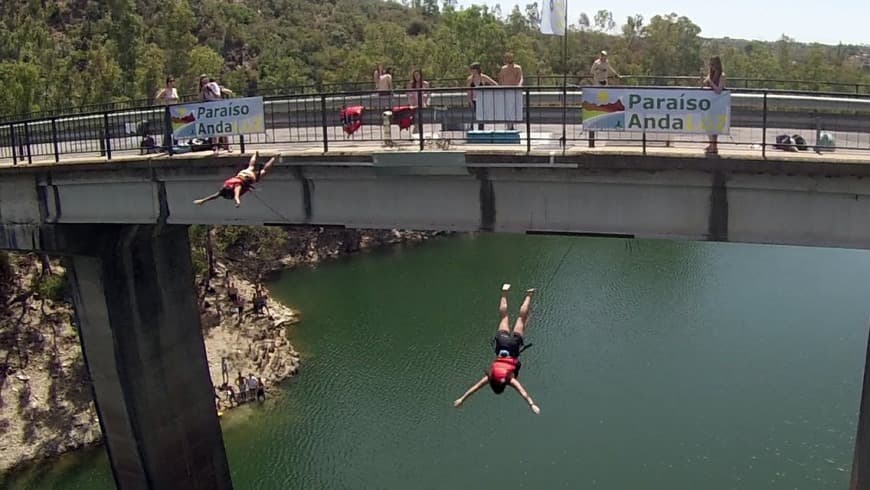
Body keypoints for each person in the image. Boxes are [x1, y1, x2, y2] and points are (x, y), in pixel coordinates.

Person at [454, 284, 540, 414]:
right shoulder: (490, 377)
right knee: (504, 317)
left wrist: (532, 404)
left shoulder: (509, 380)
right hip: (502, 343)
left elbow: (522, 392)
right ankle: (505, 292)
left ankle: (529, 294)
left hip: (513, 345)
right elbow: (475, 388)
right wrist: (461, 399)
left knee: (521, 318)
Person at [193, 151, 277, 207]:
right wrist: (203, 200)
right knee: (251, 166)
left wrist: (238, 202)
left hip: (250, 177)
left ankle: (274, 157)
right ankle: (255, 154)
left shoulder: (236, 187)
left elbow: (236, 195)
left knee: (263, 171)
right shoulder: (224, 189)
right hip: (242, 174)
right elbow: (214, 196)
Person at [703, 56, 726, 155]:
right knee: (708, 125)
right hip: (709, 103)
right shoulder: (710, 74)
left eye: (713, 64)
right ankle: (711, 144)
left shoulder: (722, 75)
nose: (712, 66)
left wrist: (711, 82)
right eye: (710, 64)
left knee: (715, 126)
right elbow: (705, 85)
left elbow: (718, 90)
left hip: (718, 104)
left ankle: (714, 146)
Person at [467, 62, 498, 131]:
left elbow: (494, 84)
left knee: (481, 117)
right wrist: (470, 101)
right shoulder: (470, 79)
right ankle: (472, 131)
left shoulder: (483, 77)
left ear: (476, 70)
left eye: (472, 69)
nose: (471, 71)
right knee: (472, 116)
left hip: (482, 100)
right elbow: (468, 91)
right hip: (473, 100)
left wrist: (489, 93)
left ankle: (481, 131)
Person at [498, 52, 524, 130]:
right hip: (505, 90)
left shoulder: (517, 68)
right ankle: (509, 125)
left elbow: (521, 78)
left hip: (514, 90)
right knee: (507, 108)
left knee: (513, 108)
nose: (509, 59)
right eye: (507, 57)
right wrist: (501, 88)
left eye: (510, 57)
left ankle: (511, 124)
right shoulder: (503, 69)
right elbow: (501, 79)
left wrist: (519, 85)